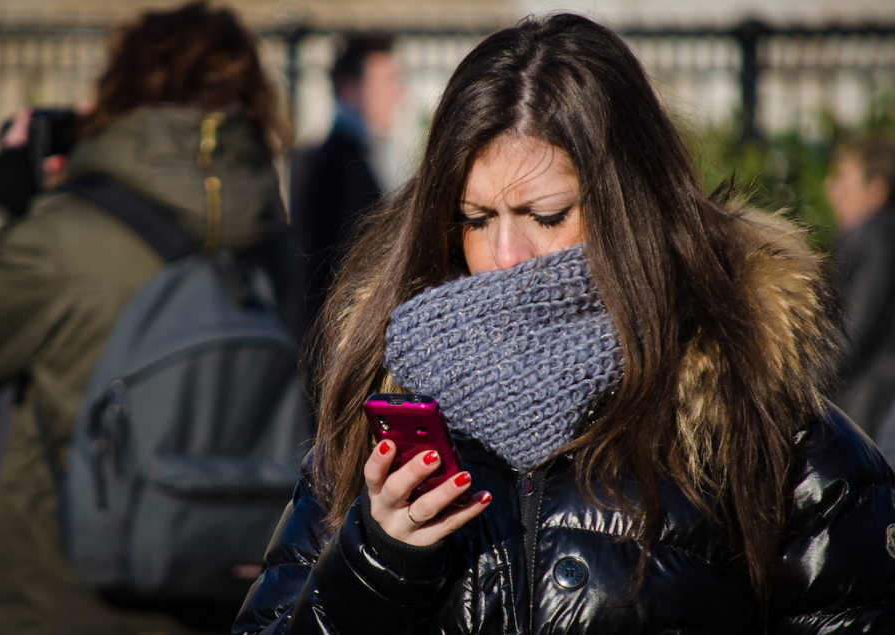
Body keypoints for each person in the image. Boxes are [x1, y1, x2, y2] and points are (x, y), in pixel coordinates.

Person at [233, 14, 895, 634]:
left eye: (546, 215)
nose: (506, 257)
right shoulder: (382, 414)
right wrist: (376, 563)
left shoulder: (760, 420)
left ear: (630, 208)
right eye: (475, 218)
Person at [0, 3, 292, 634]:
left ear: (122, 88)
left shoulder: (66, 235)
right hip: (224, 591)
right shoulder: (280, 245)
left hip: (55, 595)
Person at [288, 34, 404, 338]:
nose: (399, 94)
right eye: (388, 82)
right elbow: (325, 276)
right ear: (349, 89)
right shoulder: (336, 165)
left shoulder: (354, 156)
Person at [824, 135, 895, 442]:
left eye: (843, 179)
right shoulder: (866, 239)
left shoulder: (877, 240)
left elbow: (849, 333)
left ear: (876, 190)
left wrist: (796, 388)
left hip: (866, 407)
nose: (831, 189)